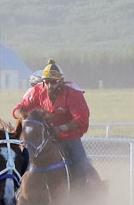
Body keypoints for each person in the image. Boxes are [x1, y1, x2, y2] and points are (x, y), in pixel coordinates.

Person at [13, 59, 96, 188]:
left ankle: (81, 192)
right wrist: (21, 114)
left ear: (60, 81)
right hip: (43, 136)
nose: (49, 86)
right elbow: (20, 109)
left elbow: (81, 120)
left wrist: (61, 128)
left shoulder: (73, 93)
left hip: (69, 137)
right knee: (21, 155)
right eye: (46, 83)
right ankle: (16, 188)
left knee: (81, 163)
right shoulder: (37, 91)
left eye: (53, 82)